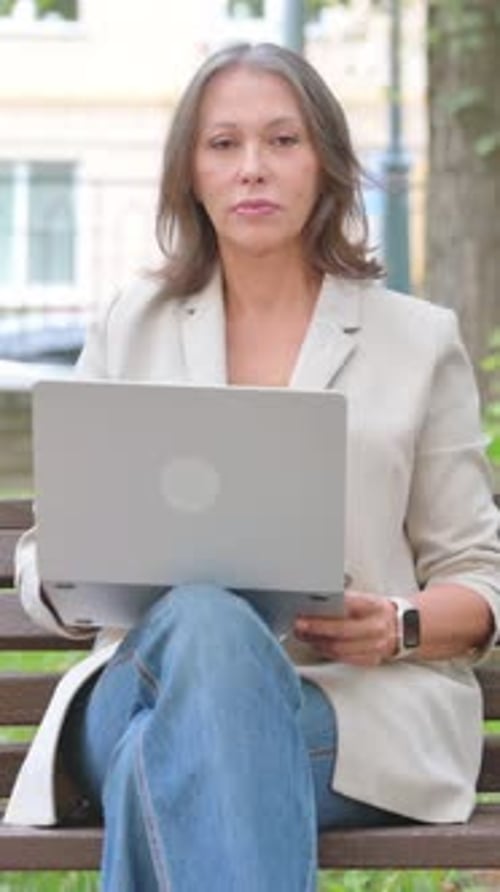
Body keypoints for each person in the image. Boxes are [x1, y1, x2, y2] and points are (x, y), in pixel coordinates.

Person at [4, 41, 500, 892]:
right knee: (203, 620)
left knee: (159, 763)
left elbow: (481, 578)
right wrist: (75, 577)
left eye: (283, 140)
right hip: (141, 682)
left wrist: (399, 624)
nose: (253, 169)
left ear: (327, 165)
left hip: (351, 713)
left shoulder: (417, 342)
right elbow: (48, 552)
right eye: (223, 144)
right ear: (190, 174)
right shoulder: (134, 324)